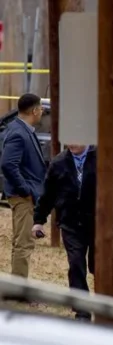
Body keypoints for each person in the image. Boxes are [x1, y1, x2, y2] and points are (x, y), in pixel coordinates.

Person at [30, 143, 96, 321]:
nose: (73, 143)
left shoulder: (99, 157)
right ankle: (82, 311)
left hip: (97, 223)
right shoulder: (59, 163)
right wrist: (38, 221)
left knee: (98, 266)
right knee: (76, 264)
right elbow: (48, 195)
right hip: (71, 222)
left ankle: (107, 308)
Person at [0, 93, 47, 280]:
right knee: (23, 243)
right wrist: (25, 189)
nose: (42, 112)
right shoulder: (18, 133)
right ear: (34, 110)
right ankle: (19, 294)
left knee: (22, 242)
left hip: (27, 195)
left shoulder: (23, 129)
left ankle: (17, 289)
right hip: (22, 197)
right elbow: (8, 164)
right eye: (41, 109)